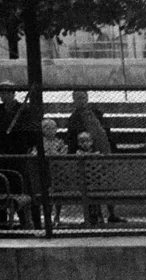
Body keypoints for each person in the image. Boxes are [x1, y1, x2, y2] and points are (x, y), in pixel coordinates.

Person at [66, 90, 126, 223]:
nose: (81, 100)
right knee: (89, 185)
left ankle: (111, 213)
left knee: (108, 184)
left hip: (102, 153)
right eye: (77, 98)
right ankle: (93, 215)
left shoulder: (97, 114)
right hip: (85, 158)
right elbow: (72, 140)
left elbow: (106, 133)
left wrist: (110, 150)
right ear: (74, 100)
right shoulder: (73, 119)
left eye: (83, 97)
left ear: (87, 98)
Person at [0, 80, 40, 228]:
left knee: (21, 187)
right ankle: (2, 221)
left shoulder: (24, 111)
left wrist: (27, 147)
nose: (4, 96)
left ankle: (26, 221)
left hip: (19, 155)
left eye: (6, 93)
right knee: (2, 187)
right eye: (2, 93)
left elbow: (32, 133)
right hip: (3, 155)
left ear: (13, 94)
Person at [36, 118, 68, 226]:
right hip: (44, 171)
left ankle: (57, 216)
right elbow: (35, 154)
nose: (50, 130)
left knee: (58, 192)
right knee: (45, 193)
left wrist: (54, 153)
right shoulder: (39, 142)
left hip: (57, 171)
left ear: (56, 129)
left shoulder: (60, 142)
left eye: (52, 128)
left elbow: (63, 155)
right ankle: (47, 216)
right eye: (46, 128)